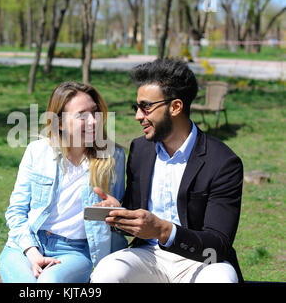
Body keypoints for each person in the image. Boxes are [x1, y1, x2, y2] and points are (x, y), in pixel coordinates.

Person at [90, 58, 244, 283]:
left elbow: (218, 243)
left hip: (202, 259)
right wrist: (120, 213)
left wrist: (164, 231)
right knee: (106, 273)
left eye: (146, 107)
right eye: (137, 107)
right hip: (148, 254)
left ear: (175, 107)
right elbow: (138, 214)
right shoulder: (140, 149)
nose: (138, 116)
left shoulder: (223, 162)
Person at [0, 81, 127, 283]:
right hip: (25, 246)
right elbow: (16, 211)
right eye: (82, 115)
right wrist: (32, 252)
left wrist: (118, 212)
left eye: (95, 112)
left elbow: (118, 220)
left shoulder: (113, 157)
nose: (94, 121)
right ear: (59, 122)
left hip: (75, 252)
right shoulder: (37, 152)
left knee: (49, 283)